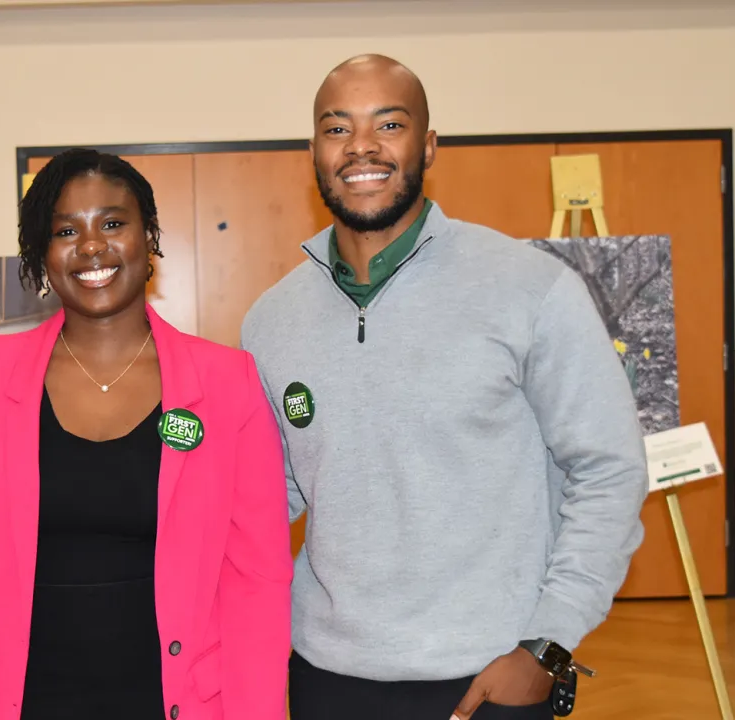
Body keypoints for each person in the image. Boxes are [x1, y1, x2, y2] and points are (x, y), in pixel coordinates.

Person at [239, 55, 650, 720]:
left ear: (427, 145)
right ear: (314, 151)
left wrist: (548, 647)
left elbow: (608, 470)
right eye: (337, 128)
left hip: (490, 673)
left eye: (389, 124)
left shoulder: (530, 289)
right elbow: (270, 491)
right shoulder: (271, 320)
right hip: (327, 674)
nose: (362, 147)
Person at [0, 148, 293, 720]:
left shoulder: (227, 382)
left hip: (177, 701)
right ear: (43, 253)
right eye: (66, 230)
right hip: (19, 701)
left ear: (149, 237)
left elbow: (257, 577)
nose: (92, 245)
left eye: (113, 223)